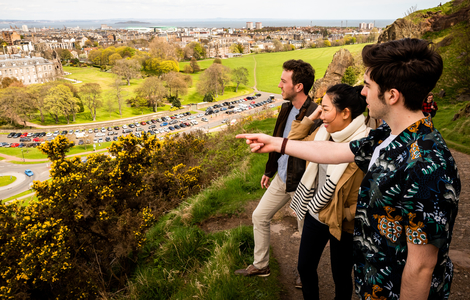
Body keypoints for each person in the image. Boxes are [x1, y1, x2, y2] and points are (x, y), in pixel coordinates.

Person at [237, 39, 460, 300]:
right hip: (373, 285)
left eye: (367, 86)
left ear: (392, 95)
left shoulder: (426, 166)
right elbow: (336, 152)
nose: (362, 93)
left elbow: (422, 267)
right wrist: (277, 143)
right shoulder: (388, 135)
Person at [234, 59, 321, 277]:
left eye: (284, 81)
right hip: (282, 178)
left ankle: (305, 275)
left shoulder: (316, 115)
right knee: (259, 216)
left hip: (304, 183)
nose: (280, 85)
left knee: (305, 231)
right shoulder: (286, 108)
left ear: (298, 86)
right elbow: (277, 142)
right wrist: (269, 170)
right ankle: (261, 265)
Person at [289, 84, 369, 299]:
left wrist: (346, 214)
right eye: (321, 109)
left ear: (345, 113)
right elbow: (293, 144)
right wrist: (311, 117)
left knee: (341, 277)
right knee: (305, 267)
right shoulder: (323, 132)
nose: (321, 115)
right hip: (315, 212)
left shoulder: (365, 145)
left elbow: (369, 197)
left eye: (325, 109)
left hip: (343, 222)